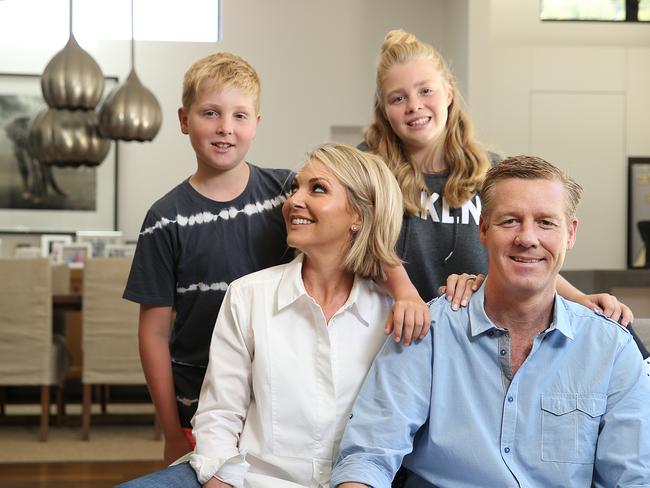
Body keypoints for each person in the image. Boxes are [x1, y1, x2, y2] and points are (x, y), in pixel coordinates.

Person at [123, 53, 429, 465]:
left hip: (278, 387)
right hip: (200, 397)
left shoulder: (286, 191)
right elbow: (155, 334)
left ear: (256, 124)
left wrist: (405, 290)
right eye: (210, 113)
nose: (225, 128)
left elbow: (364, 221)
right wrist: (170, 430)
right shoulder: (165, 220)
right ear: (184, 119)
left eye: (239, 116)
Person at [331, 155, 650, 488]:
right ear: (483, 229)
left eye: (545, 222)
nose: (527, 238)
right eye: (510, 221)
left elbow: (632, 479)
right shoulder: (430, 332)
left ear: (570, 234)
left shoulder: (612, 349)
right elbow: (368, 458)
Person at [118, 142, 407, 487]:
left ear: (359, 215)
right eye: (296, 187)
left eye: (317, 189)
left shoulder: (391, 315)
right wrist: (220, 480)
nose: (293, 201)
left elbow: (389, 431)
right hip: (250, 480)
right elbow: (219, 414)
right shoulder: (247, 296)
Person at [363, 29, 634, 325]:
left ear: (449, 93)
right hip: (398, 332)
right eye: (398, 98)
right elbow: (364, 245)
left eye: (426, 90)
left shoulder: (491, 170)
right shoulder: (367, 167)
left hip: (475, 337)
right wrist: (406, 294)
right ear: (384, 111)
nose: (414, 105)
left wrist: (578, 298)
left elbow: (523, 252)